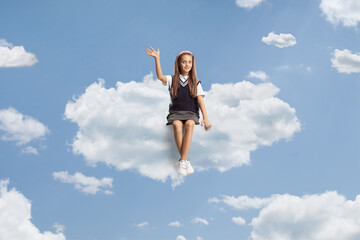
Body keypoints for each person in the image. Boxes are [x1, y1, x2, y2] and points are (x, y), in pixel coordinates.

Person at [146, 46, 212, 176]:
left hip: (191, 112)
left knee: (189, 124)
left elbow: (200, 101)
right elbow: (160, 77)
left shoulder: (196, 82)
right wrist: (157, 59)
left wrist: (206, 117)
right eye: (184, 62)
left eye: (189, 62)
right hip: (176, 112)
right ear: (178, 64)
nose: (187, 65)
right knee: (176, 124)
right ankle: (185, 160)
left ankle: (182, 160)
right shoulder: (172, 79)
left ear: (192, 64)